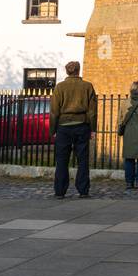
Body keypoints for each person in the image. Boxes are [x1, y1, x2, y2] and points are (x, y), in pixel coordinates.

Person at [49, 60, 97, 199]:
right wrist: (93, 129)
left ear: (67, 71)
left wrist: (53, 130)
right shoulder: (87, 86)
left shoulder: (60, 87)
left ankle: (60, 191)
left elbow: (54, 111)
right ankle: (83, 190)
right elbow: (92, 111)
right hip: (82, 125)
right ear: (78, 70)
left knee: (62, 160)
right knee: (82, 160)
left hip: (63, 127)